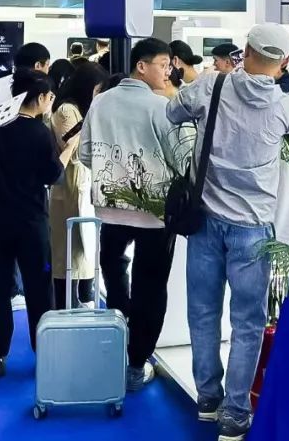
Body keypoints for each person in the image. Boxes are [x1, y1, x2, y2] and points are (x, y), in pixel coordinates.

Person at [167, 23, 289, 441]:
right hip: (254, 229)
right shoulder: (285, 105)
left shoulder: (211, 85)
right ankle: (234, 412)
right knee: (247, 322)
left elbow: (172, 112)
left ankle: (208, 398)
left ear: (244, 52)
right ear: (284, 63)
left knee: (202, 313)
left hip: (205, 221)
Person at [78, 38, 186, 391]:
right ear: (142, 66)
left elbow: (85, 154)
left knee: (114, 271)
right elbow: (181, 158)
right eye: (163, 65)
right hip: (154, 214)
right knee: (151, 288)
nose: (168, 72)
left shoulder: (101, 102)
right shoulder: (161, 107)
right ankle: (137, 364)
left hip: (109, 209)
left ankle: (119, 326)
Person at [0, 70, 67, 377]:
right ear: (41, 98)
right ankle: (46, 351)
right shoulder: (40, 133)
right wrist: (68, 150)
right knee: (39, 288)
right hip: (30, 222)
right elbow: (52, 175)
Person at [50, 60, 108, 310]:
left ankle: (82, 296)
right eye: (97, 89)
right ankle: (66, 302)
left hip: (82, 185)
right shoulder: (66, 110)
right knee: (68, 251)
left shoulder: (81, 110)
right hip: (70, 186)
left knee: (83, 248)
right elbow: (71, 148)